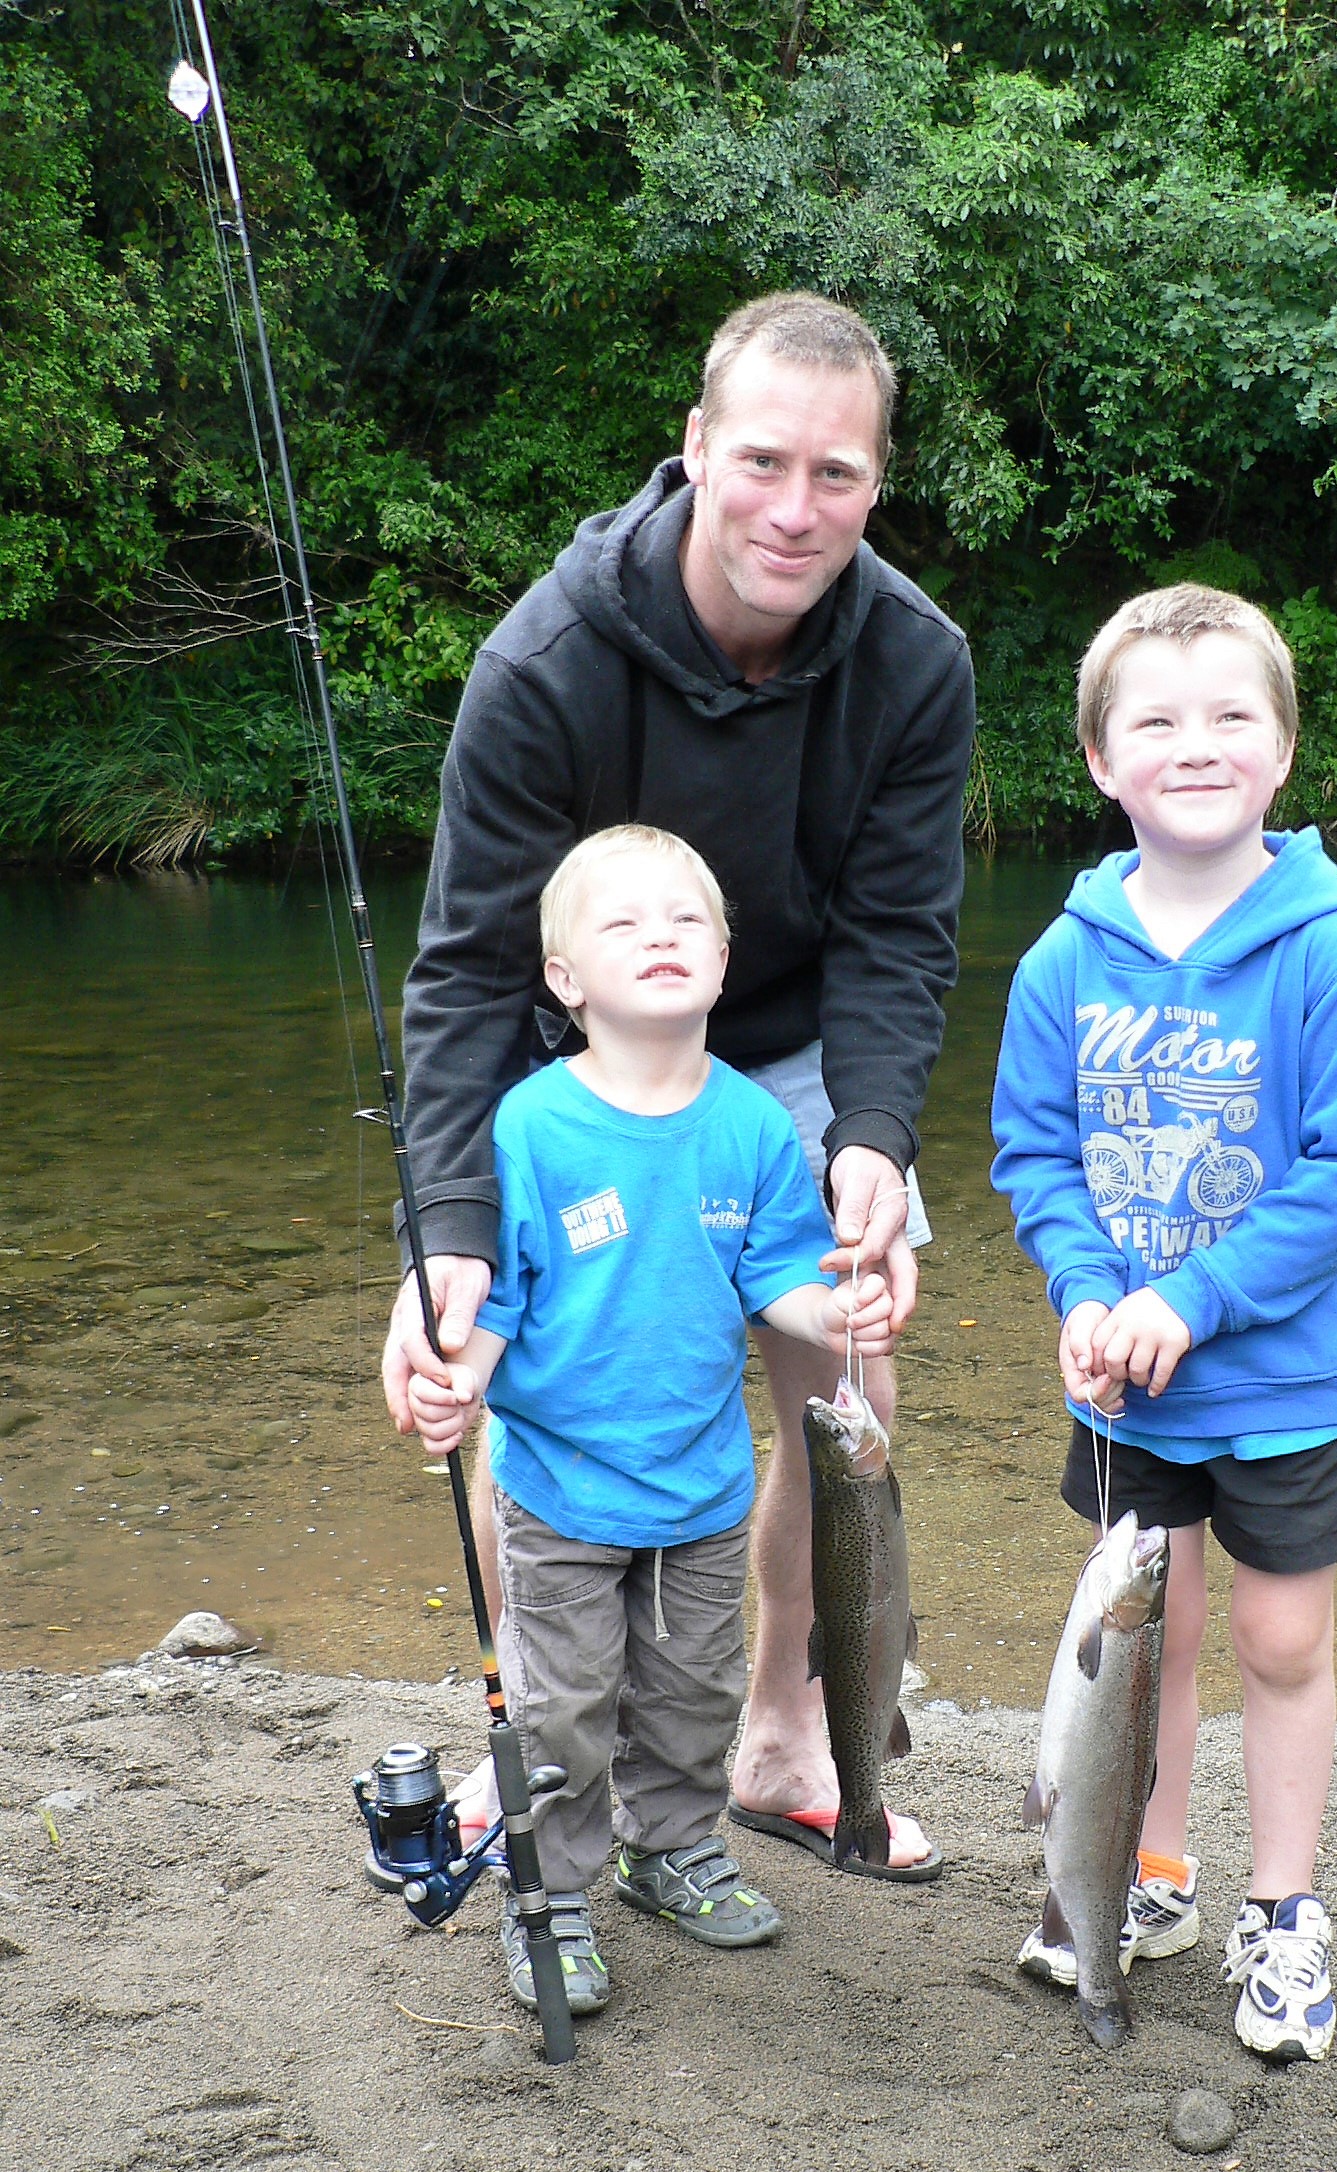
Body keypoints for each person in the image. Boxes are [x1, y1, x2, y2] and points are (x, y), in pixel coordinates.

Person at [381, 292, 971, 1877]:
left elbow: (901, 941)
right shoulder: (549, 659)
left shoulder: (916, 663)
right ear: (696, 447)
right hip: (559, 1052)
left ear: (877, 481)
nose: (796, 509)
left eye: (837, 475)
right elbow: (460, 972)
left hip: (781, 1052)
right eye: (764, 460)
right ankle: (554, 1736)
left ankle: (783, 1732)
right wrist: (447, 1231)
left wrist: (873, 1144)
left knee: (854, 1375)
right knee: (524, 1367)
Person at [989, 584, 1337, 2058]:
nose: (1196, 742)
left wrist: (1196, 1293)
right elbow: (1034, 1153)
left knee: (1280, 1641)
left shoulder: (1329, 951)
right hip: (1128, 1390)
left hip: (1289, 1379)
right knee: (1140, 1639)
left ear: (1283, 751)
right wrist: (1091, 1292)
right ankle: (1141, 1871)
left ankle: (1283, 1910)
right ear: (1101, 760)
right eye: (1156, 719)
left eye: (1233, 714)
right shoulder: (1062, 962)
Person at [408, 826, 897, 2013]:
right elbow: (495, 1292)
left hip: (703, 1493)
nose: (660, 940)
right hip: (562, 1491)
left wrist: (844, 1302)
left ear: (727, 963)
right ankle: (553, 1896)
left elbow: (774, 1272)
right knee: (563, 1709)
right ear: (564, 980)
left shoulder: (750, 1125)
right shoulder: (526, 1127)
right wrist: (453, 1371)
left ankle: (668, 1846)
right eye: (623, 926)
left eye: (686, 923)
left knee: (691, 1696)